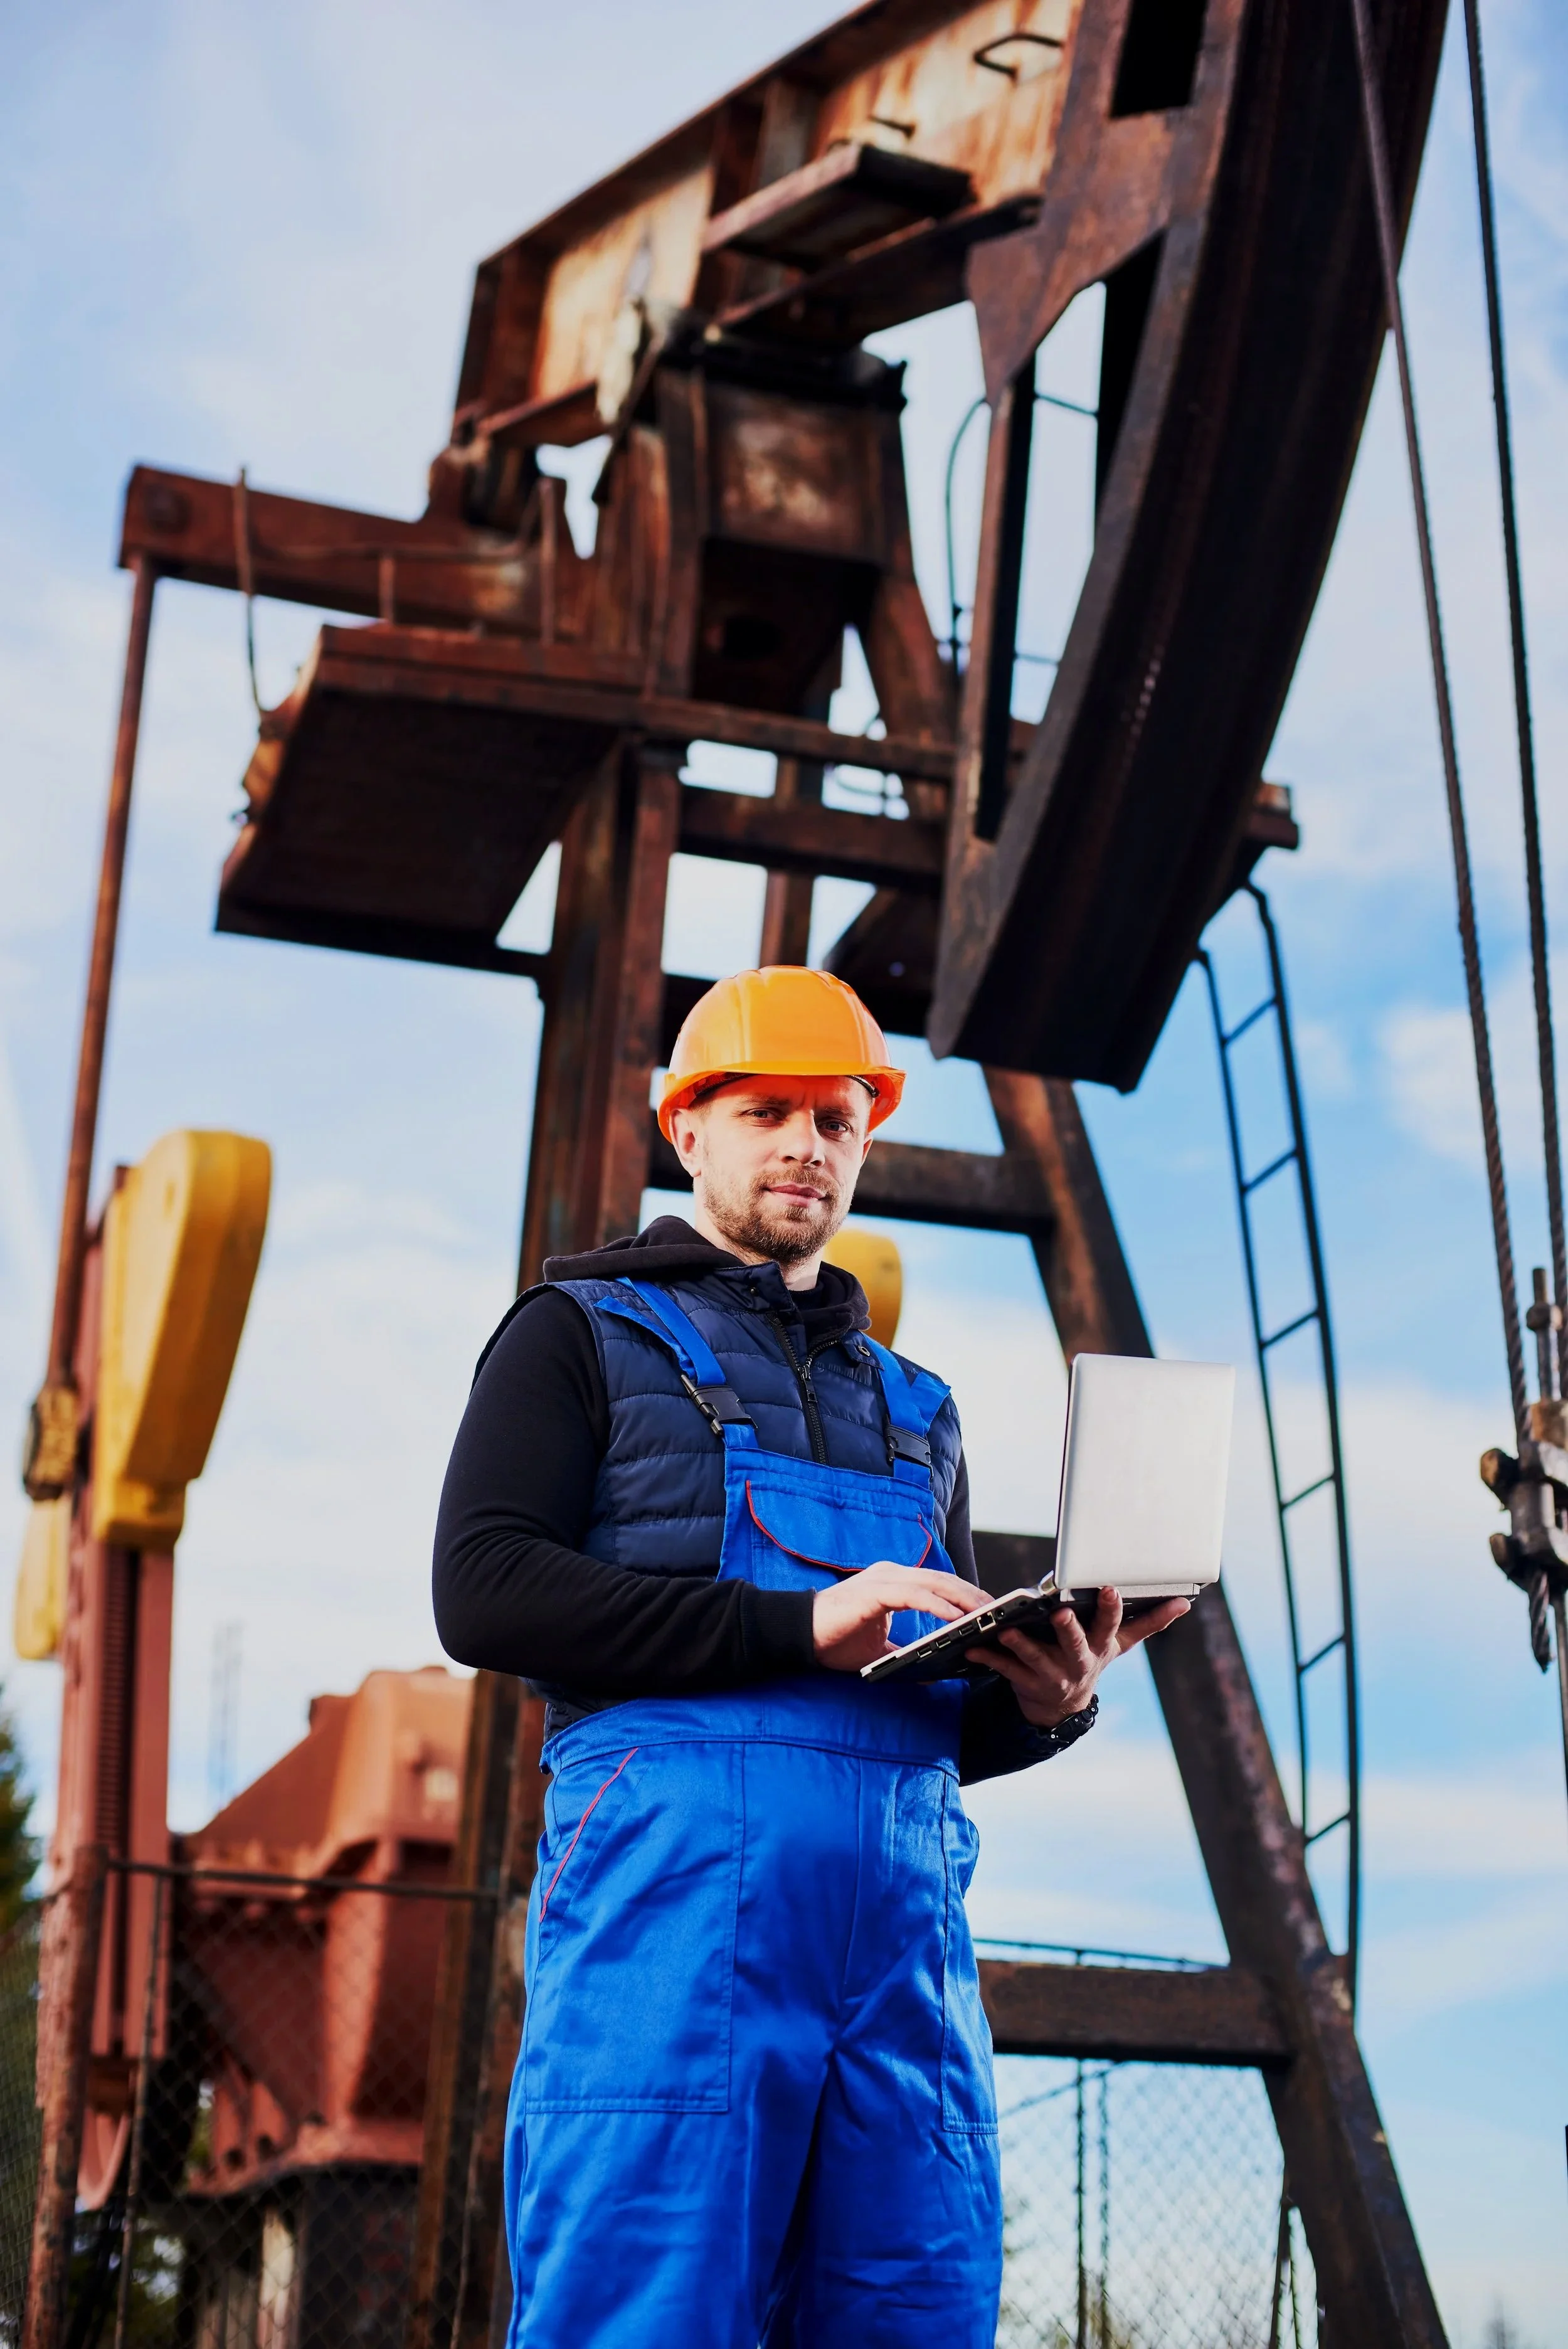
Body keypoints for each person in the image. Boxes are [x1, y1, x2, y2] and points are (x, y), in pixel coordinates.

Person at [433, 965, 1188, 2349]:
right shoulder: (576, 1336)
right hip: (672, 1920)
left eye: (835, 1121)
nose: (804, 1146)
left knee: (914, 2308)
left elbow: (925, 1714)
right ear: (689, 1132)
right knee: (644, 2312)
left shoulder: (919, 1409)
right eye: (766, 1111)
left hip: (900, 1945)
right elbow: (480, 1595)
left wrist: (1047, 1703)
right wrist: (791, 1626)